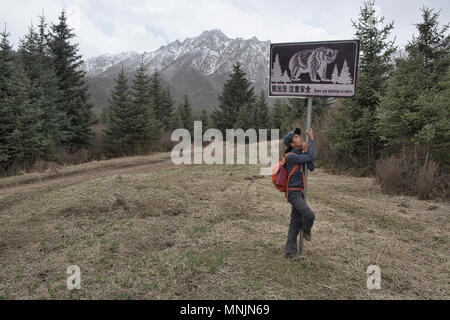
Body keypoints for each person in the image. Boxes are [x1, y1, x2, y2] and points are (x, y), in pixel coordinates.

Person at [283, 127, 316, 259]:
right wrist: (312, 140)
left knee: (295, 222)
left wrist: (306, 152)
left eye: (298, 136)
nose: (300, 137)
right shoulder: (290, 156)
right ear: (291, 144)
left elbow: (311, 167)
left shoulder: (301, 154)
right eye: (296, 137)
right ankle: (306, 229)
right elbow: (312, 156)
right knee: (309, 215)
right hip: (293, 193)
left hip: (300, 192)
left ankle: (290, 252)